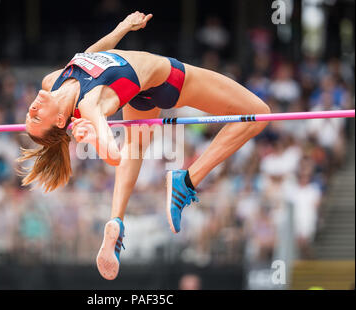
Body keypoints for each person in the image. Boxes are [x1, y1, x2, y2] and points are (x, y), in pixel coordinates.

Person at [19, 11, 270, 280]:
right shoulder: (89, 106)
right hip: (168, 79)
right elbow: (114, 156)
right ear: (59, 120)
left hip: (139, 94)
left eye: (28, 115)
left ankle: (116, 220)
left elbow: (90, 56)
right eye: (36, 117)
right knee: (259, 113)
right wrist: (92, 138)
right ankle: (187, 180)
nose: (31, 109)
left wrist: (122, 29)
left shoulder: (52, 81)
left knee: (137, 147)